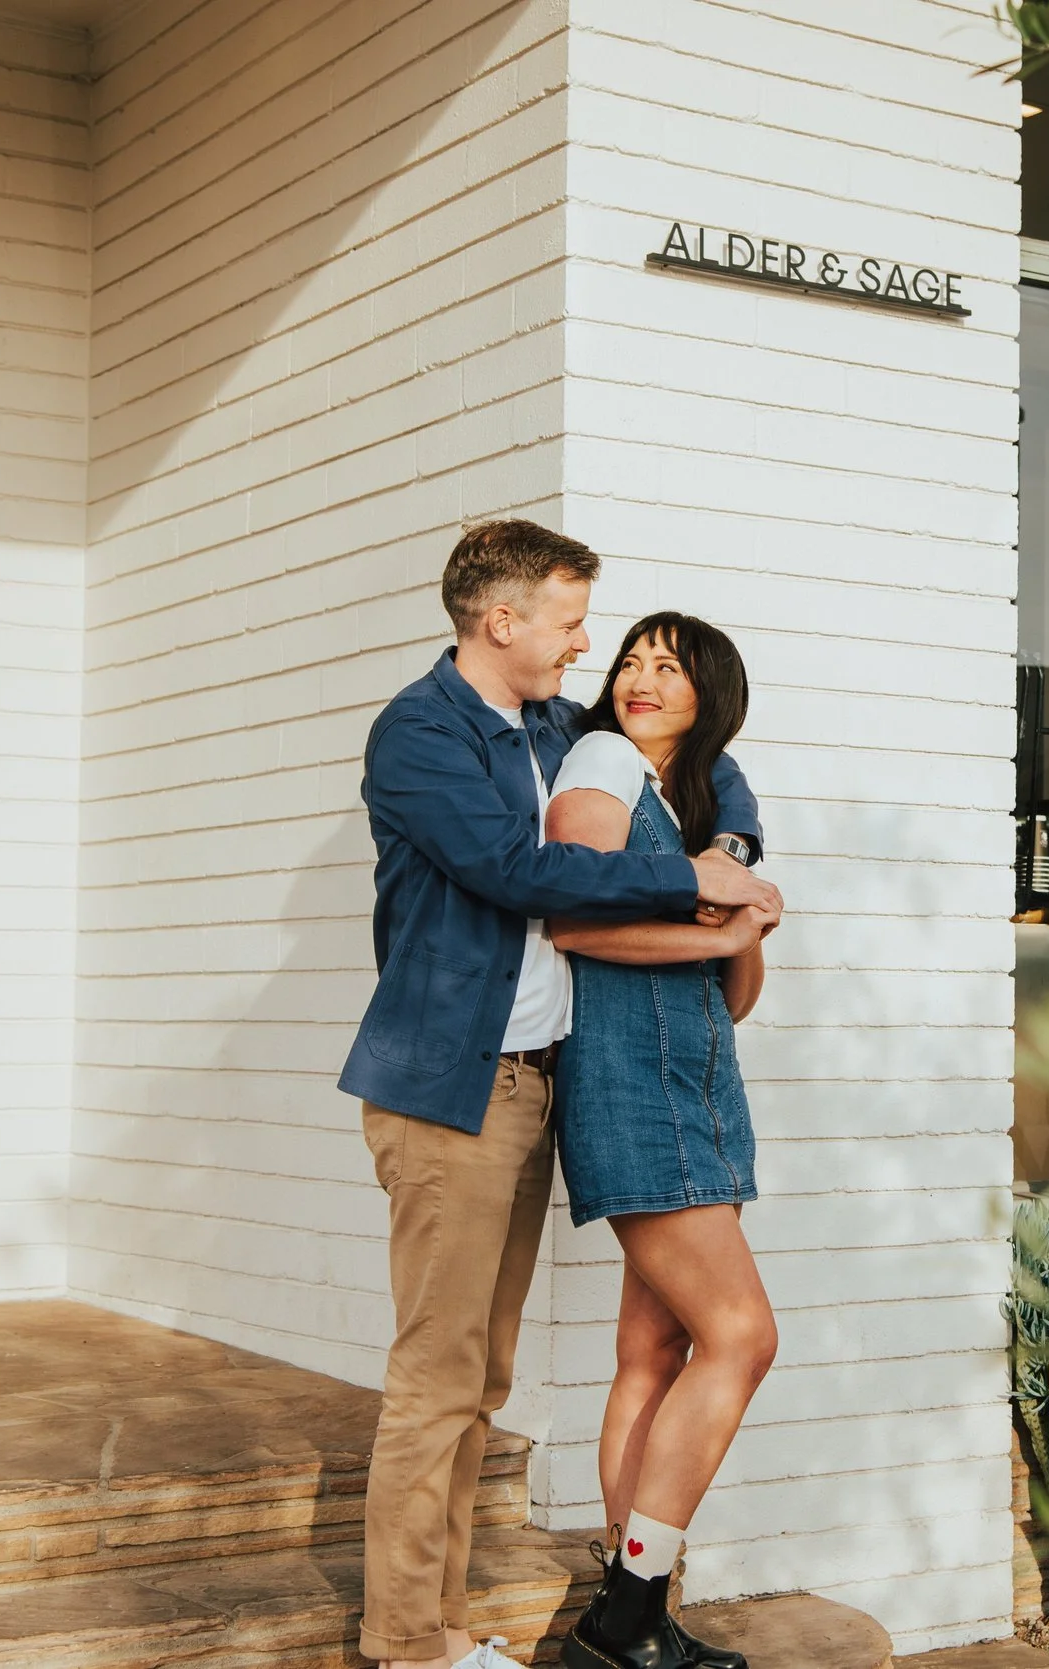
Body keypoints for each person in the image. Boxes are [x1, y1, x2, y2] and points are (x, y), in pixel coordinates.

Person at [338, 526, 781, 1669]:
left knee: (480, 1376)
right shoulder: (420, 734)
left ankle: (439, 1626)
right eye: (573, 621)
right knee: (437, 1379)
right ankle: (406, 1646)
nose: (592, 646)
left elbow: (695, 753)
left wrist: (729, 838)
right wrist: (692, 877)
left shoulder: (549, 727)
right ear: (502, 622)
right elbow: (519, 874)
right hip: (452, 1084)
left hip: (530, 1082)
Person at [545, 613, 780, 1669]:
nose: (639, 679)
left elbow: (729, 995)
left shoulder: (699, 808)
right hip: (635, 1086)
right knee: (743, 1337)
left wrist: (738, 925)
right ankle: (630, 1608)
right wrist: (723, 917)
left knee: (656, 1347)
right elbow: (575, 923)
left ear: (708, 694)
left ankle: (635, 1610)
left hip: (699, 1081)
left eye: (667, 667)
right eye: (630, 661)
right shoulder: (599, 761)